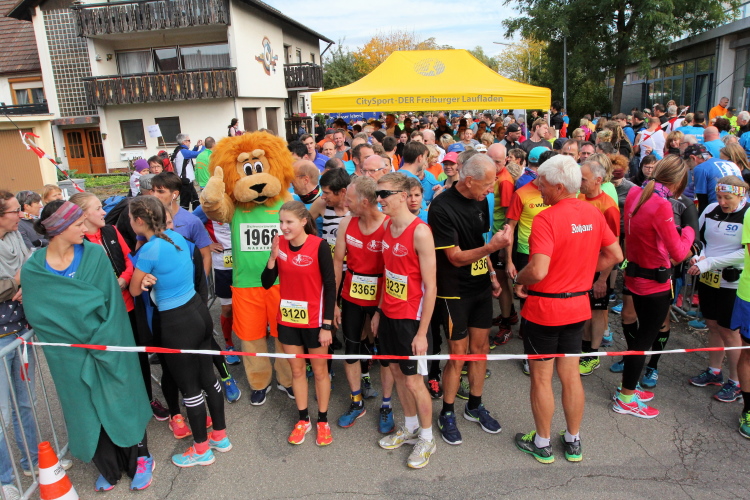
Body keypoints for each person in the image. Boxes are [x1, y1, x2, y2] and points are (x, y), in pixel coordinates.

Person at [22, 200, 153, 490]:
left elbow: (111, 304)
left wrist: (97, 337)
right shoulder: (34, 269)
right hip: (68, 354)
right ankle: (108, 466)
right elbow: (39, 315)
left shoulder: (94, 255)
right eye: (79, 224)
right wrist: (76, 332)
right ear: (59, 228)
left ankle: (141, 457)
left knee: (120, 397)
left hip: (106, 340)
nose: (86, 228)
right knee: (85, 407)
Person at [513, 155, 621, 464]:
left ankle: (543, 442)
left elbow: (538, 270)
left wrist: (519, 280)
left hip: (545, 308)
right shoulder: (592, 212)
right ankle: (573, 441)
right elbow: (615, 254)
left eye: (543, 184)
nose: (538, 187)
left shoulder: (546, 218)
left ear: (560, 187)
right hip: (577, 306)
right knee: (571, 375)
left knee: (541, 378)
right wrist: (583, 272)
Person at [128, 196, 231, 467]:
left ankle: (201, 450)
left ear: (139, 221)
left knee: (190, 388)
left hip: (176, 322)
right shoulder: (177, 239)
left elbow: (135, 289)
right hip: (198, 312)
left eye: (130, 219)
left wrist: (144, 278)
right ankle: (220, 436)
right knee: (208, 378)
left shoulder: (149, 250)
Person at [428, 154, 512, 445]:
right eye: (487, 184)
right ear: (469, 180)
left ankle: (474, 406)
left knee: (480, 349)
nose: (491, 190)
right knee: (459, 353)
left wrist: (492, 274)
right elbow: (454, 257)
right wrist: (492, 247)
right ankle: (447, 412)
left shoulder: (481, 199)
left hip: (479, 286)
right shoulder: (441, 206)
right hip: (453, 290)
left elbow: (479, 242)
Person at [69, 192, 170, 420]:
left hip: (129, 306)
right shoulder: (77, 243)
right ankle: (120, 406)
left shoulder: (111, 231)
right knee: (112, 361)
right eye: (98, 208)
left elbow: (129, 259)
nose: (104, 212)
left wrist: (124, 279)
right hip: (103, 314)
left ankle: (147, 399)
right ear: (83, 214)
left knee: (139, 356)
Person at [617, 155, 694, 418]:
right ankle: (625, 397)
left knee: (641, 337)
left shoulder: (636, 192)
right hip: (653, 282)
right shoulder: (661, 203)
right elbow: (679, 253)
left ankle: (629, 389)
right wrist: (689, 232)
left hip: (636, 276)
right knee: (644, 340)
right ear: (679, 181)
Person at [373, 172, 437, 469]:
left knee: (413, 381)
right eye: (377, 194)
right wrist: (379, 311)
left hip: (411, 319)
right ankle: (410, 427)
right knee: (398, 374)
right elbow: (387, 274)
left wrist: (422, 333)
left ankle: (427, 438)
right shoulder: (387, 226)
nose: (379, 199)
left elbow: (431, 286)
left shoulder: (420, 232)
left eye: (384, 194)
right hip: (389, 314)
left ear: (402, 196)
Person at [259, 201, 335, 446]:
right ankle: (303, 419)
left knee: (320, 371)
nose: (284, 227)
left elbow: (330, 286)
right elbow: (266, 282)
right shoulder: (279, 244)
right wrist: (272, 257)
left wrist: (327, 325)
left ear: (303, 221)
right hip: (289, 319)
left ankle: (322, 420)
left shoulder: (319, 246)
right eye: (281, 222)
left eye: (289, 222)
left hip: (315, 321)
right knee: (297, 371)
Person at [333, 177, 395, 432]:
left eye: (349, 199)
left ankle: (387, 405)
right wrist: (333, 302)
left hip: (381, 296)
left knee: (386, 354)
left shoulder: (389, 225)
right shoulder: (346, 223)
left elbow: (393, 270)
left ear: (365, 201)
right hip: (352, 295)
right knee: (351, 349)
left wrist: (380, 309)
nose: (344, 203)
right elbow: (337, 262)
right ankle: (356, 401)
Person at [686, 176, 749, 402]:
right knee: (712, 325)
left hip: (732, 282)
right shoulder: (711, 209)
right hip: (707, 276)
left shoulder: (747, 214)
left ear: (741, 195)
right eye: (719, 196)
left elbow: (745, 252)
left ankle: (737, 381)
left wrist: (711, 262)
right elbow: (700, 238)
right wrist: (699, 256)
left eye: (727, 198)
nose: (722, 202)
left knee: (729, 331)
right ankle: (714, 371)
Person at [577, 157, 621, 375]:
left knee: (596, 311)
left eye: (584, 179)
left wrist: (603, 279)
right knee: (583, 310)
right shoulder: (579, 198)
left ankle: (592, 355)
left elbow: (614, 248)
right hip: (581, 267)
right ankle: (583, 349)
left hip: (598, 268)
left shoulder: (609, 207)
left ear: (598, 180)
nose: (580, 183)